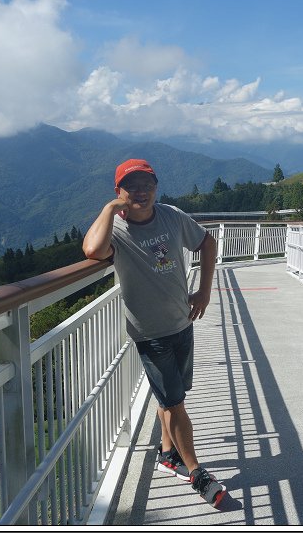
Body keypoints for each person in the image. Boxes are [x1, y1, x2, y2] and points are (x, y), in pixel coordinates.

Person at [82, 158, 226, 507]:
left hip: (182, 321)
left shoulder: (171, 216)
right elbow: (91, 250)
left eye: (146, 183)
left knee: (172, 398)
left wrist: (204, 290)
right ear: (118, 191)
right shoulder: (115, 229)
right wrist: (109, 209)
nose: (140, 191)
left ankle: (167, 454)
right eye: (130, 185)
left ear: (156, 186)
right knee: (174, 402)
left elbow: (207, 243)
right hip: (150, 334)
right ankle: (196, 472)